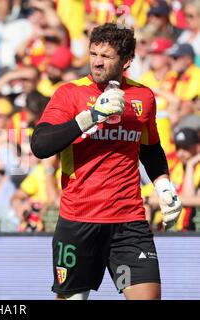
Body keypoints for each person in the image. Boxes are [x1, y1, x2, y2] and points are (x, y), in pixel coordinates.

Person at [30, 23, 182, 300]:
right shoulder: (70, 93)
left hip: (129, 222)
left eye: (106, 56)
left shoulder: (143, 97)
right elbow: (40, 145)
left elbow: (150, 148)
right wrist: (90, 116)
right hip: (79, 220)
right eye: (93, 54)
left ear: (126, 61)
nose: (97, 62)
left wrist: (163, 186)